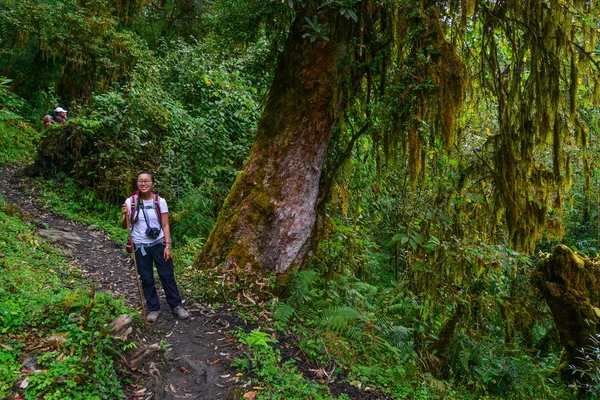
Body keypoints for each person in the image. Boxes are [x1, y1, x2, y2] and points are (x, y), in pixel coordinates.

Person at [121, 171, 189, 323]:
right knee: (146, 278)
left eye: (146, 181)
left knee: (167, 275)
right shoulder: (131, 201)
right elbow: (125, 225)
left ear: (152, 183)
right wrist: (125, 214)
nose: (143, 184)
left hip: (158, 243)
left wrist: (167, 245)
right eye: (140, 181)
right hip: (140, 245)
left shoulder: (159, 201)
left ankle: (176, 305)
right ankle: (153, 308)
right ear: (137, 183)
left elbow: (165, 225)